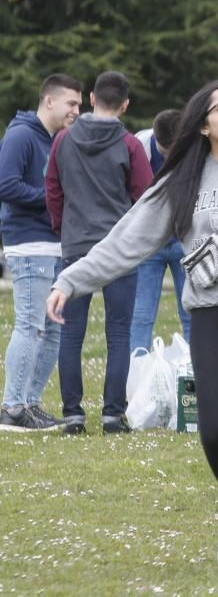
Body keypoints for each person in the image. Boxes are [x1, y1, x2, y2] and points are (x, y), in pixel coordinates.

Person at [46, 79, 218, 580]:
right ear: (203, 124)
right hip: (210, 311)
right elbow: (127, 239)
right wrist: (72, 279)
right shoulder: (182, 183)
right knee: (213, 430)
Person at [45, 71, 153, 435]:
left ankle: (73, 414)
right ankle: (111, 414)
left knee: (71, 333)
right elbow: (145, 198)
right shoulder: (130, 145)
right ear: (124, 104)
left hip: (75, 244)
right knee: (118, 332)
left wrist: (63, 227)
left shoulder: (62, 140)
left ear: (91, 98)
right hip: (118, 249)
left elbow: (53, 188)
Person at [0, 73, 82, 431]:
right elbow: (6, 184)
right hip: (29, 244)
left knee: (52, 331)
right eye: (72, 103)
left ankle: (28, 404)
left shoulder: (52, 140)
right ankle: (12, 407)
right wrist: (53, 199)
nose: (77, 111)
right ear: (49, 101)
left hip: (51, 243)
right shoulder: (21, 135)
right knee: (32, 325)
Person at [130, 109, 192, 351]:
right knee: (141, 316)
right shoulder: (139, 145)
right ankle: (137, 374)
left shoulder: (195, 149)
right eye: (165, 150)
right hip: (149, 243)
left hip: (185, 241)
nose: (169, 155)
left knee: (192, 313)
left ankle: (195, 374)